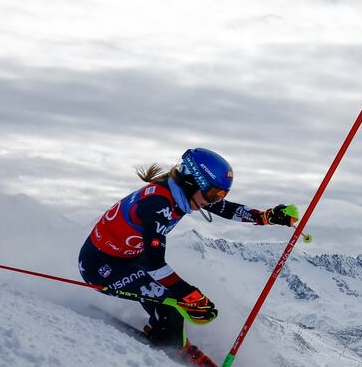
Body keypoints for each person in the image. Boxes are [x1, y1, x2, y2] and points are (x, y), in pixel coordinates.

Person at [78, 148, 299, 347]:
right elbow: (155, 264)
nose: (213, 202)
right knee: (174, 304)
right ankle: (167, 354)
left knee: (171, 299)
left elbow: (226, 209)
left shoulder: (180, 194)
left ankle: (163, 336)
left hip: (130, 259)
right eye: (213, 194)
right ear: (191, 181)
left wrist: (265, 217)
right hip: (101, 267)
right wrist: (190, 295)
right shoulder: (158, 204)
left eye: (222, 194)